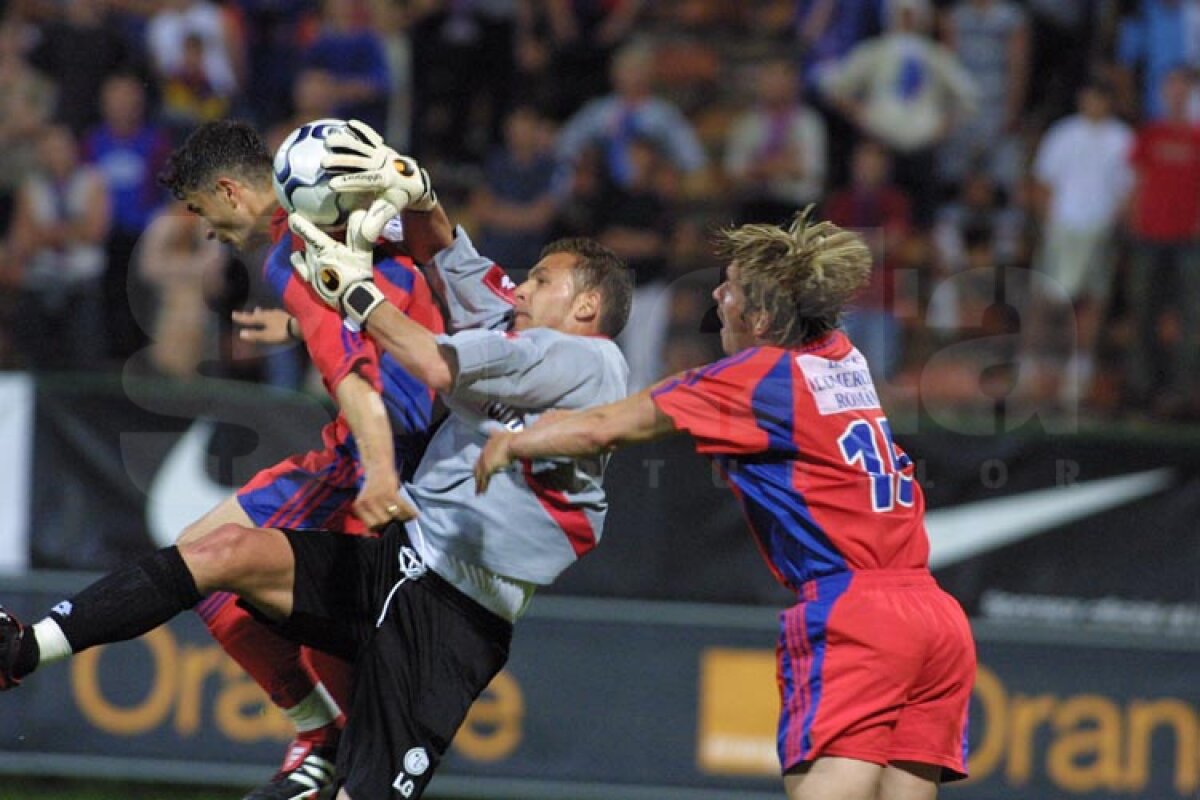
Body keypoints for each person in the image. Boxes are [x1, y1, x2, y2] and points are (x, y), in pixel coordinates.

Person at [1, 125, 635, 800]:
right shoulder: (503, 314)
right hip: (406, 558)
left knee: (219, 570)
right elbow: (445, 250)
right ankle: (27, 650)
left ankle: (321, 740)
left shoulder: (581, 358)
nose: (522, 286)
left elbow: (416, 362)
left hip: (446, 590)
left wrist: (350, 315)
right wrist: (418, 192)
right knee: (214, 556)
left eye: (540, 279)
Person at [7, 118, 444, 800]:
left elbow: (355, 377)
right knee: (216, 567)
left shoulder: (291, 251)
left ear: (230, 192)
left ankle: (319, 738)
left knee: (202, 563)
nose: (210, 231)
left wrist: (382, 468)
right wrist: (300, 325)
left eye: (204, 212)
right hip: (435, 446)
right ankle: (324, 742)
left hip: (380, 456)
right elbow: (398, 287)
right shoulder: (348, 208)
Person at [473, 209, 976, 800]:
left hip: (857, 612)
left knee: (832, 785)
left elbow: (607, 426)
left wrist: (515, 441)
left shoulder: (756, 379)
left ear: (759, 317)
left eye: (730, 287)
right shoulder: (844, 358)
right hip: (935, 616)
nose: (716, 295)